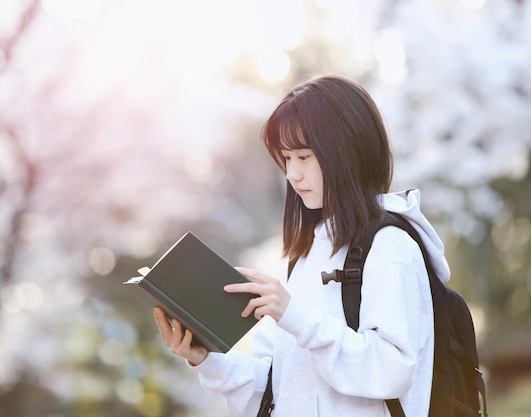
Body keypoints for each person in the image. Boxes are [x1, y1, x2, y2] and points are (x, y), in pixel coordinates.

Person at [153, 74, 450, 417]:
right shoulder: (308, 256)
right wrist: (207, 360)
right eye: (286, 159)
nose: (292, 174)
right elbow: (276, 391)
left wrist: (293, 315)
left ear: (346, 153)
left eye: (304, 157)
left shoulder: (390, 249)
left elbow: (390, 371)